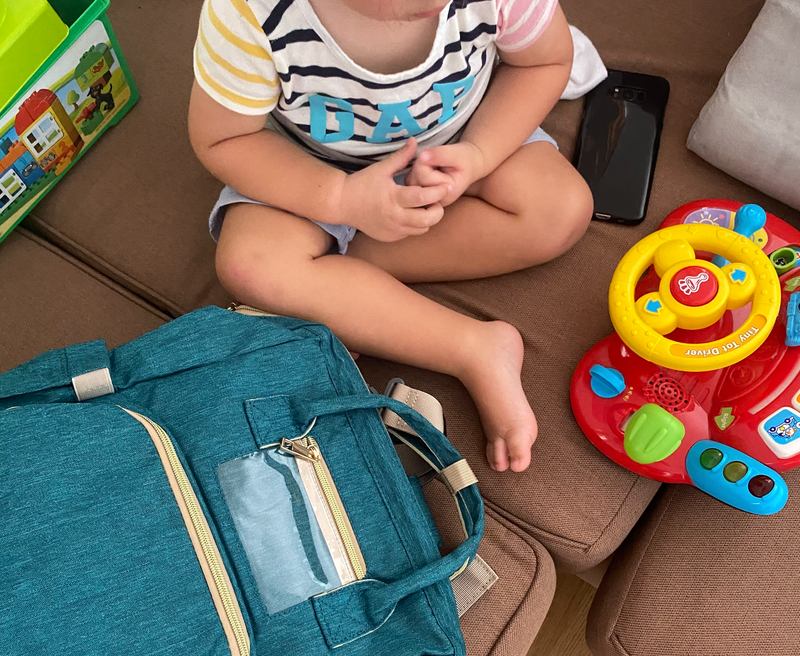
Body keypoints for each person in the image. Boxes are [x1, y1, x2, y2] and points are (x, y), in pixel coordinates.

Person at [188, 0, 593, 472]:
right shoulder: (247, 13)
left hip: (462, 140)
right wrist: (341, 200)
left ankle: (334, 283)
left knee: (561, 210)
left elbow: (545, 60)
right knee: (250, 265)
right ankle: (471, 347)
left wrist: (479, 154)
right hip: (312, 171)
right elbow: (224, 137)